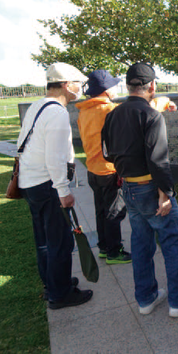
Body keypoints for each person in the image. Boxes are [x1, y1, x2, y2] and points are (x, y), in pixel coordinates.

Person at [101, 62, 178, 317]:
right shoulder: (151, 115)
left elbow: (106, 152)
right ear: (152, 86)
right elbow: (159, 160)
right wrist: (166, 194)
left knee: (140, 244)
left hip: (128, 187)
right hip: (151, 188)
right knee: (172, 243)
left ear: (128, 86)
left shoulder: (113, 114)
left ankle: (146, 298)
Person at [18, 62, 93, 310]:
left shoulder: (38, 106)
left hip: (31, 183)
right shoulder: (57, 112)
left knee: (44, 240)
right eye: (78, 84)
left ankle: (53, 282)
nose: (81, 88)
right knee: (60, 241)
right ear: (65, 84)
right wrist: (63, 191)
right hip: (47, 184)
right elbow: (55, 157)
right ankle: (60, 294)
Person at [76, 70, 131, 265]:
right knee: (114, 211)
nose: (117, 88)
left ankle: (104, 247)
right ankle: (115, 252)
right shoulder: (111, 110)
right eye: (114, 85)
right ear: (106, 90)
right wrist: (166, 102)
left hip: (93, 169)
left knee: (101, 210)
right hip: (109, 170)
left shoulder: (84, 111)